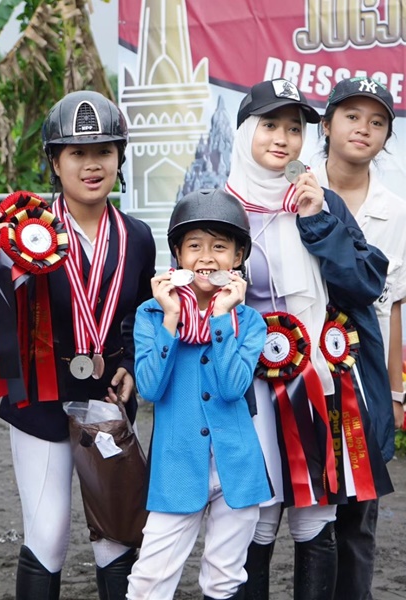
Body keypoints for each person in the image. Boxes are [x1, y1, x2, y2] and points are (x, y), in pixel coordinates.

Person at [0, 90, 156, 599]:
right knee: (48, 533)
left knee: (117, 536)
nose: (92, 164)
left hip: (108, 398)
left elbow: (140, 316)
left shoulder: (139, 237)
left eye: (103, 150)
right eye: (77, 153)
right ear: (54, 162)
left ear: (120, 156)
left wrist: (134, 365)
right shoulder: (22, 232)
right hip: (38, 398)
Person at [226, 78, 388, 600]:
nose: (283, 139)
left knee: (316, 516)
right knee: (259, 515)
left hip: (319, 384)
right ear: (246, 131)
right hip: (250, 393)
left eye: (295, 129)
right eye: (270, 125)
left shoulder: (323, 203)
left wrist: (318, 220)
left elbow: (365, 285)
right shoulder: (219, 208)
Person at [125, 189, 268, 600]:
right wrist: (172, 317)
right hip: (177, 466)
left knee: (224, 580)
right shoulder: (152, 314)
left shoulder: (249, 322)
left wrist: (221, 317)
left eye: (220, 246)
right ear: (177, 255)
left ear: (238, 256)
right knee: (149, 581)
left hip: (236, 470)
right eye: (195, 246)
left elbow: (232, 387)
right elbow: (149, 387)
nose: (207, 256)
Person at [312, 76, 402, 600]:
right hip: (293, 377)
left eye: (376, 122)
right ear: (325, 125)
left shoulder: (397, 211)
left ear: (387, 137)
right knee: (289, 521)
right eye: (350, 116)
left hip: (361, 384)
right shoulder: (292, 193)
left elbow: (392, 309)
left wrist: (394, 394)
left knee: (356, 522)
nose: (362, 129)